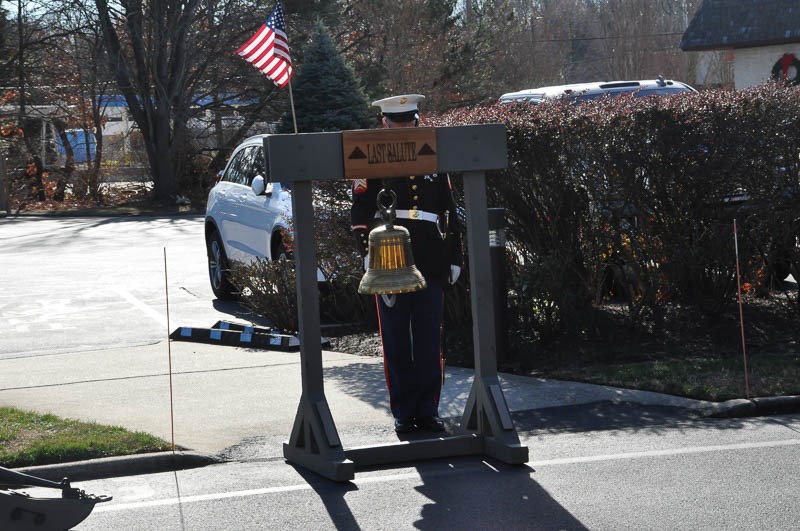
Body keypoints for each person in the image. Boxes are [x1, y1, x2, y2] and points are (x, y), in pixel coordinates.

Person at [351, 94, 463, 433]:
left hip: (430, 254)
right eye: (396, 122)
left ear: (417, 120)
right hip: (389, 256)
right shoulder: (369, 156)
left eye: (408, 121)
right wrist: (367, 253)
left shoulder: (431, 153)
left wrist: (454, 255)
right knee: (396, 337)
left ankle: (428, 408)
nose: (403, 128)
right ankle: (403, 409)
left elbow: (447, 208)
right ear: (384, 123)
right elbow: (360, 211)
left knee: (429, 337)